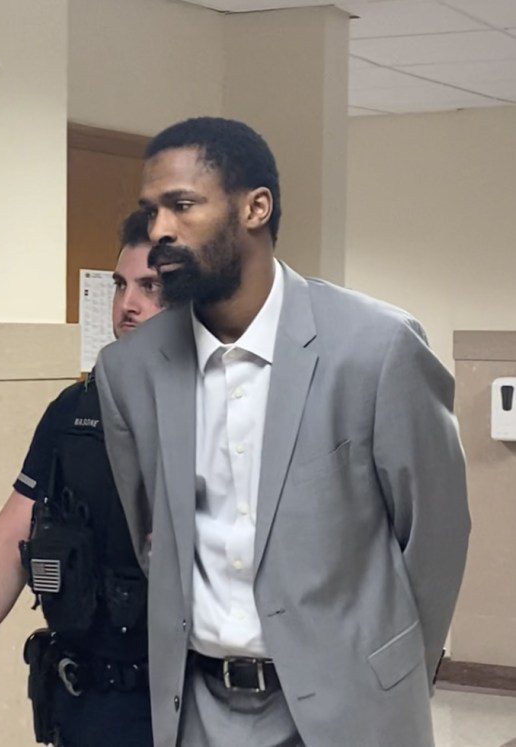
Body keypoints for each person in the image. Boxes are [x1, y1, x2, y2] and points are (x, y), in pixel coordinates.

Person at [95, 117, 471, 747]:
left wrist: (396, 671)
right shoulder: (129, 370)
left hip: (351, 711)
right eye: (151, 210)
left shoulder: (375, 349)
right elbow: (151, 538)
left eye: (182, 205)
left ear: (255, 207)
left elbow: (435, 533)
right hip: (198, 711)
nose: (160, 230)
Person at [0, 210, 162, 747]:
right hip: (87, 702)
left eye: (152, 286)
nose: (128, 304)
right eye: (121, 284)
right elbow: (14, 533)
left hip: (183, 706)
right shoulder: (72, 412)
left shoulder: (219, 413)